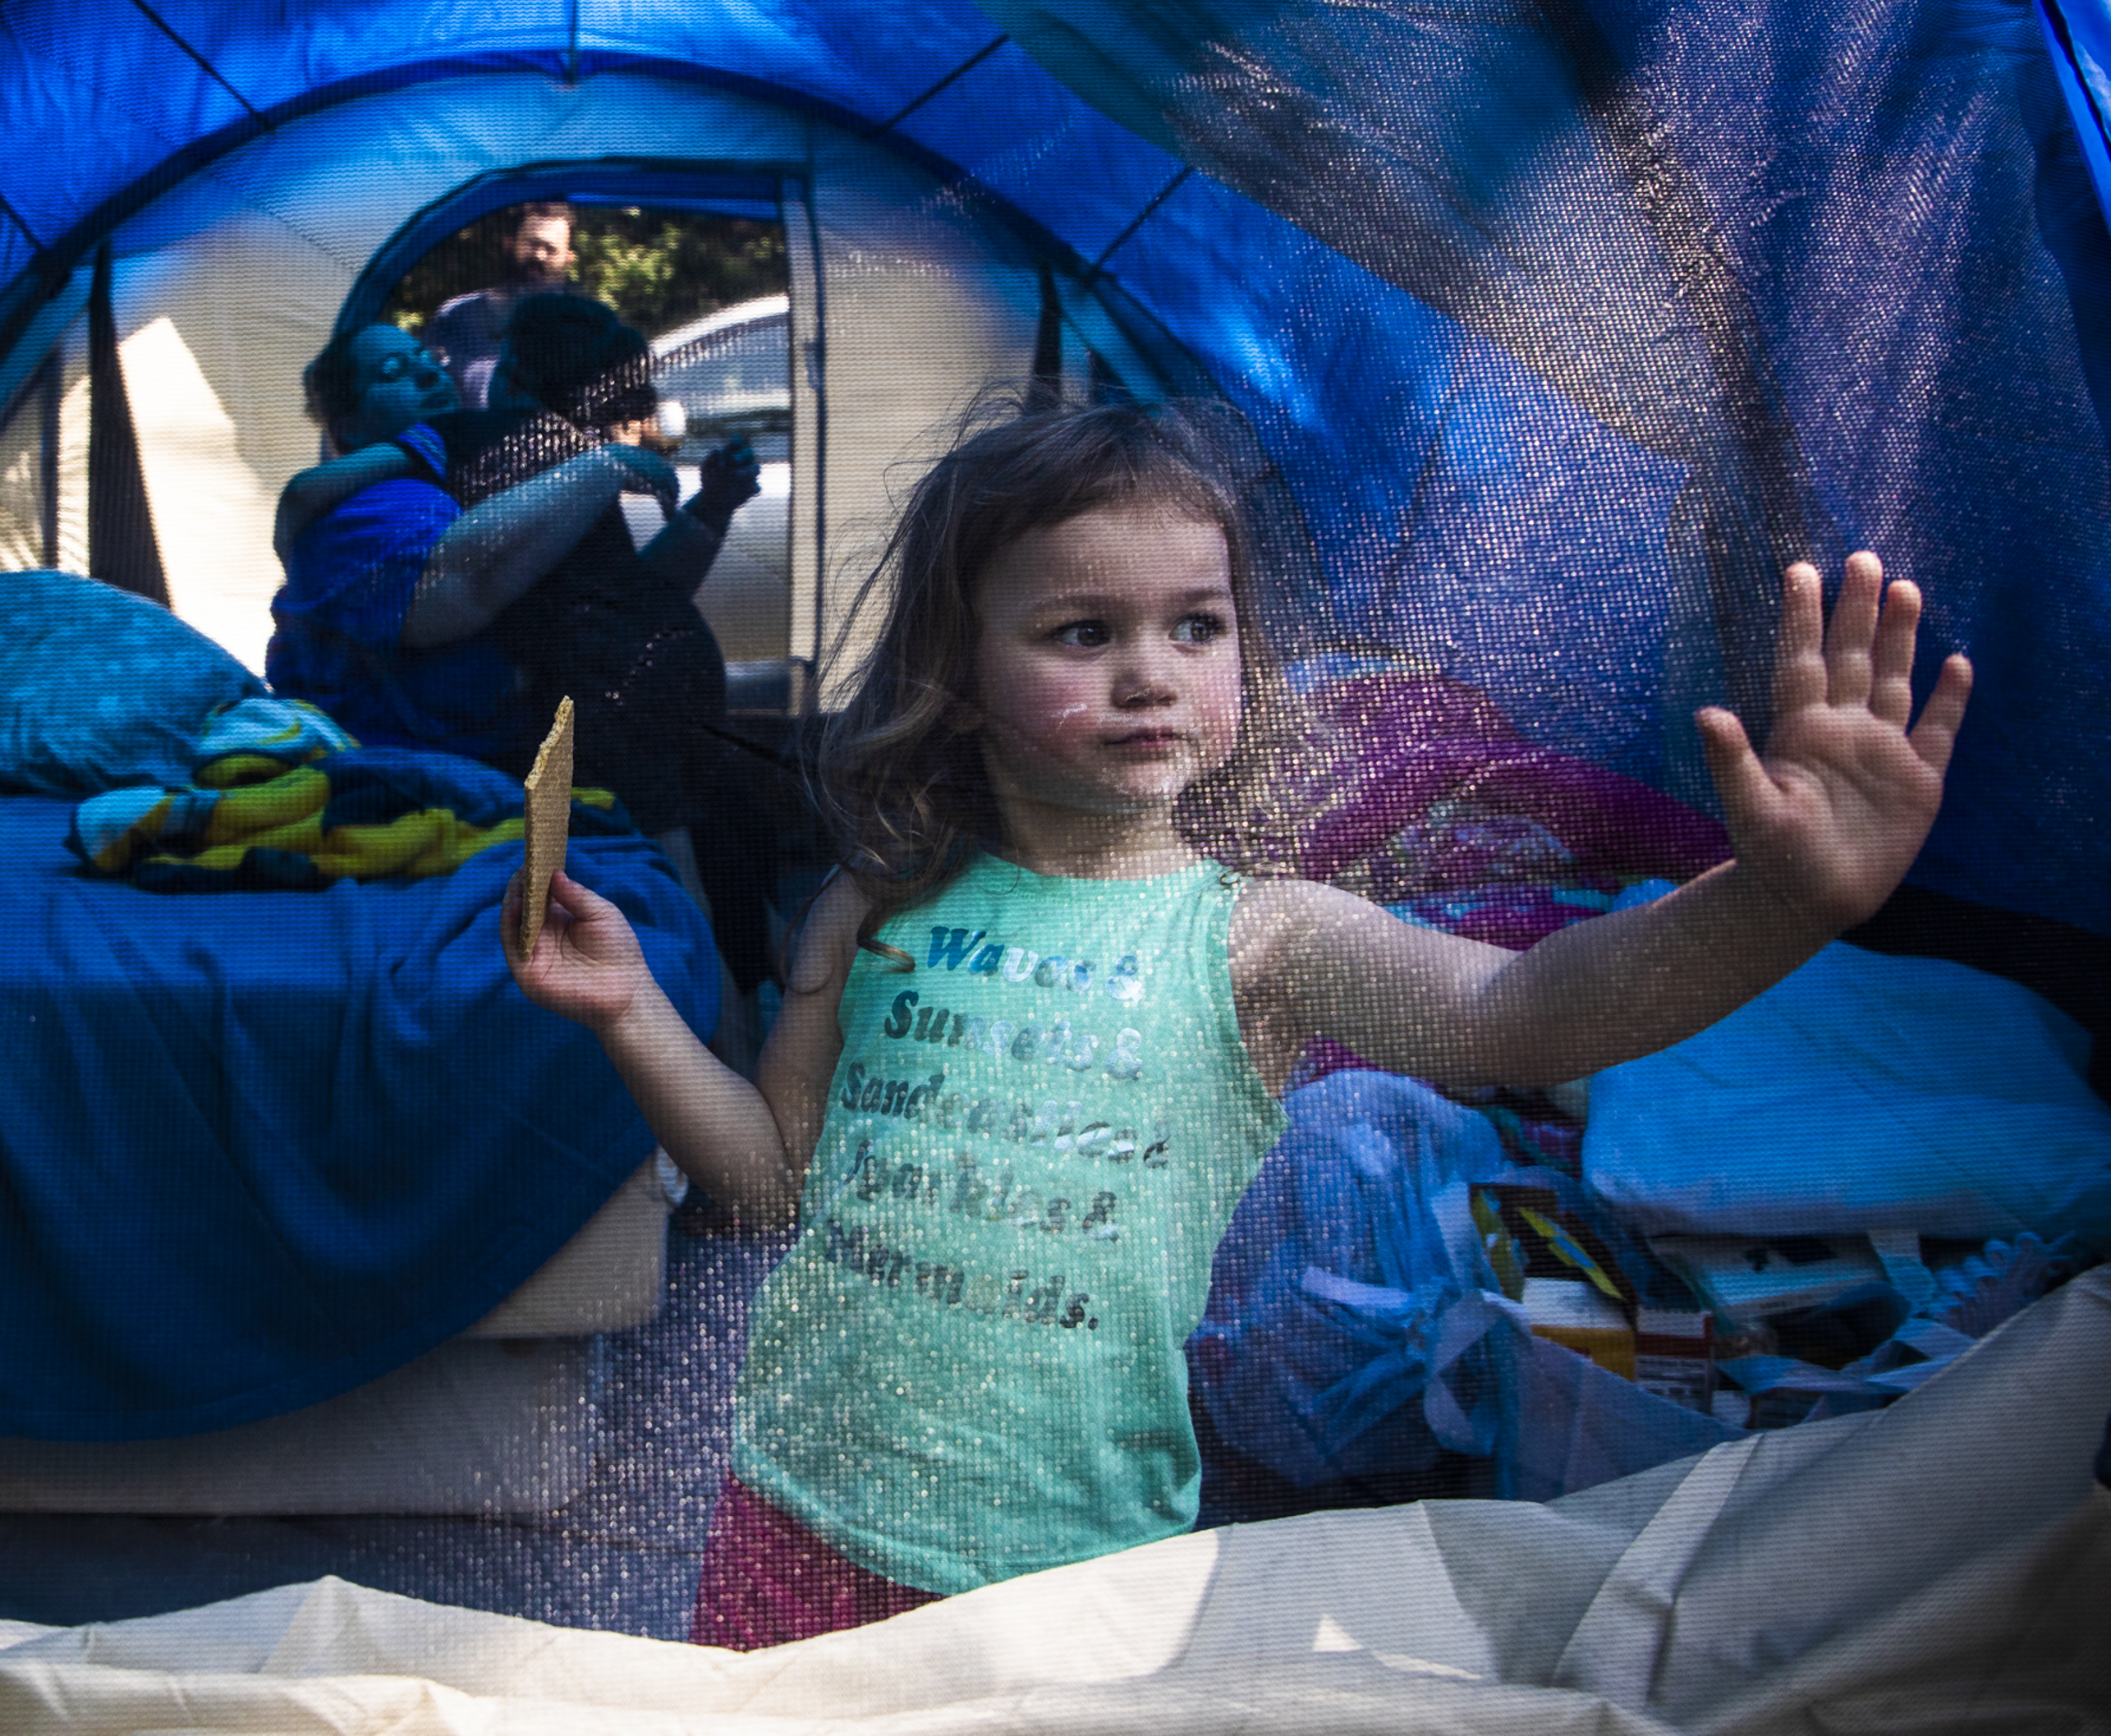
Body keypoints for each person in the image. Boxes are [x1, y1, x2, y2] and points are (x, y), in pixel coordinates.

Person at [503, 398, 1970, 1648]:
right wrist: (632, 1008)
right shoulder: (873, 908)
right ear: (959, 681)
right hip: (789, 1516)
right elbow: (767, 1188)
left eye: (1194, 626)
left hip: (1065, 1570)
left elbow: (1528, 1015)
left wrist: (1775, 907)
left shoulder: (1261, 940)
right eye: (1084, 631)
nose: (1151, 671)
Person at [264, 325, 677, 769]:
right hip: (414, 783)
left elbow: (625, 607)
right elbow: (459, 589)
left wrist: (709, 514)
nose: (429, 374)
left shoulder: (473, 482)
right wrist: (605, 464)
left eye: (428, 359)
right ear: (348, 427)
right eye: (393, 373)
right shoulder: (360, 510)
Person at [420, 200, 577, 408]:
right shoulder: (456, 316)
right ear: (509, 244)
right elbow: (422, 392)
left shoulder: (583, 330)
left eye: (551, 250)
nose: (539, 256)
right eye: (532, 244)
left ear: (568, 259)